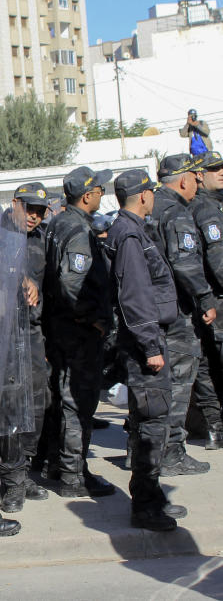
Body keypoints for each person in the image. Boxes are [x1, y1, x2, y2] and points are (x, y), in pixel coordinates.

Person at [103, 169, 184, 531]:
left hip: (144, 340)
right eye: (151, 192)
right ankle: (147, 506)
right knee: (152, 424)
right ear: (144, 195)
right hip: (143, 346)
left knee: (146, 421)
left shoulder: (129, 229)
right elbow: (135, 296)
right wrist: (152, 345)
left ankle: (149, 497)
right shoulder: (130, 234)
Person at [43, 166, 115, 498]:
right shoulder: (75, 229)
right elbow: (72, 282)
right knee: (77, 404)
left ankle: (63, 465)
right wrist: (92, 319)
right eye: (100, 189)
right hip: (77, 333)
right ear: (87, 196)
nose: (103, 193)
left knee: (65, 400)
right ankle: (73, 476)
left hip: (63, 329)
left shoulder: (61, 223)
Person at [146, 153, 217, 475]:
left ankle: (144, 450)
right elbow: (186, 264)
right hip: (176, 311)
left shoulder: (147, 208)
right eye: (196, 179)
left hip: (149, 310)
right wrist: (204, 298)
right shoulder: (176, 212)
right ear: (185, 180)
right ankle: (171, 451)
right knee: (177, 384)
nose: (197, 185)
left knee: (152, 384)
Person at [0, 183, 51, 512]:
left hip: (31, 331)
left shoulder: (41, 239)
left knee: (38, 402)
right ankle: (11, 480)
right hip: (1, 332)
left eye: (40, 212)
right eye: (29, 209)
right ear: (14, 203)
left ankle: (26, 468)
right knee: (10, 407)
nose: (34, 217)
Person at [186, 151, 223, 448]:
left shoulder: (202, 205)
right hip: (215, 298)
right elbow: (217, 259)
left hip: (203, 298)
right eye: (213, 169)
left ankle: (214, 427)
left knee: (207, 365)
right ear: (198, 175)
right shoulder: (207, 209)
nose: (220, 173)